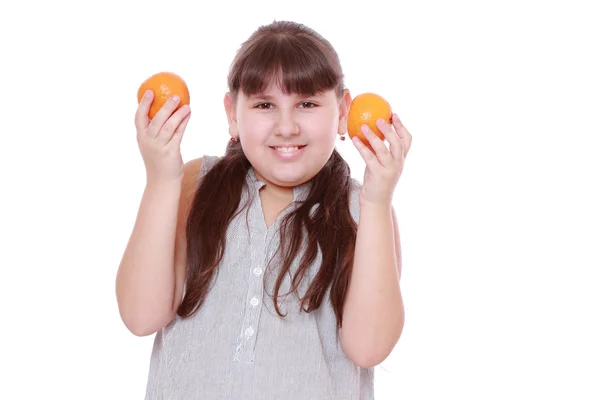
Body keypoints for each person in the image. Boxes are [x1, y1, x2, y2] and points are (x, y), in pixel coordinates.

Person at [116, 20, 412, 400]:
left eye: (306, 103)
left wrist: (377, 201)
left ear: (343, 111)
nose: (286, 127)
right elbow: (141, 317)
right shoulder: (194, 184)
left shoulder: (363, 208)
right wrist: (161, 179)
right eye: (264, 104)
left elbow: (369, 347)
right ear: (232, 113)